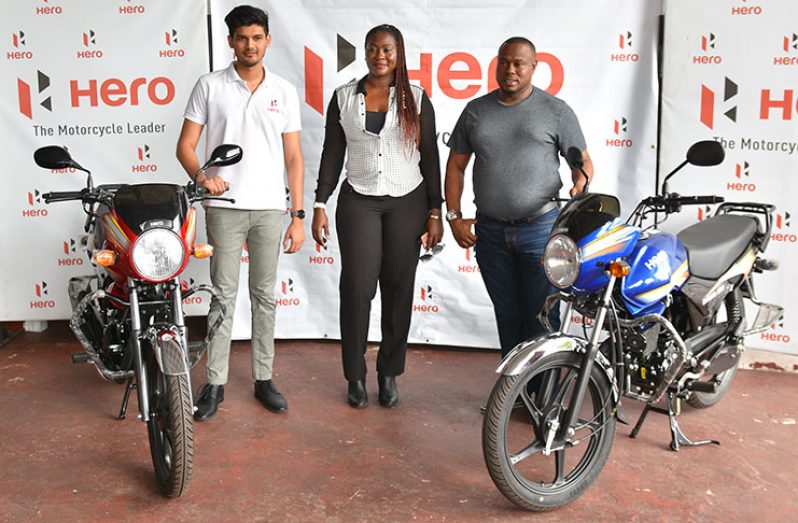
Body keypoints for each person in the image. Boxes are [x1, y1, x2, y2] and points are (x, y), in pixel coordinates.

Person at [176, 5, 305, 421]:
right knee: (223, 297)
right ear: (230, 41)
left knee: (265, 297)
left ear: (267, 40)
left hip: (270, 208)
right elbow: (186, 146)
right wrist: (202, 177)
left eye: (257, 37)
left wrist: (298, 214)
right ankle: (214, 384)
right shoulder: (209, 86)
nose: (250, 45)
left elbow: (294, 157)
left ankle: (264, 379)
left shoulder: (283, 91)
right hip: (224, 209)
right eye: (242, 37)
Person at [312, 24, 443, 409]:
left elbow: (431, 157)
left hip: (408, 200)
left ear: (399, 53)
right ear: (364, 53)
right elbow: (332, 155)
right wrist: (319, 204)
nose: (379, 56)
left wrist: (436, 211)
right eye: (373, 49)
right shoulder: (343, 98)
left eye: (387, 49)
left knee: (399, 287)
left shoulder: (417, 100)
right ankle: (355, 374)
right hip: (360, 200)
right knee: (356, 287)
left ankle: (389, 373)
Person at [445, 36, 594, 359]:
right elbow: (455, 167)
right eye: (504, 62)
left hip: (541, 229)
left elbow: (581, 162)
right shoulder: (475, 111)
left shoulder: (555, 111)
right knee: (508, 315)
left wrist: (579, 184)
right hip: (490, 233)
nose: (510, 69)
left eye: (519, 63)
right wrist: (454, 217)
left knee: (542, 316)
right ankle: (516, 395)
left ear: (533, 67)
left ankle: (544, 399)